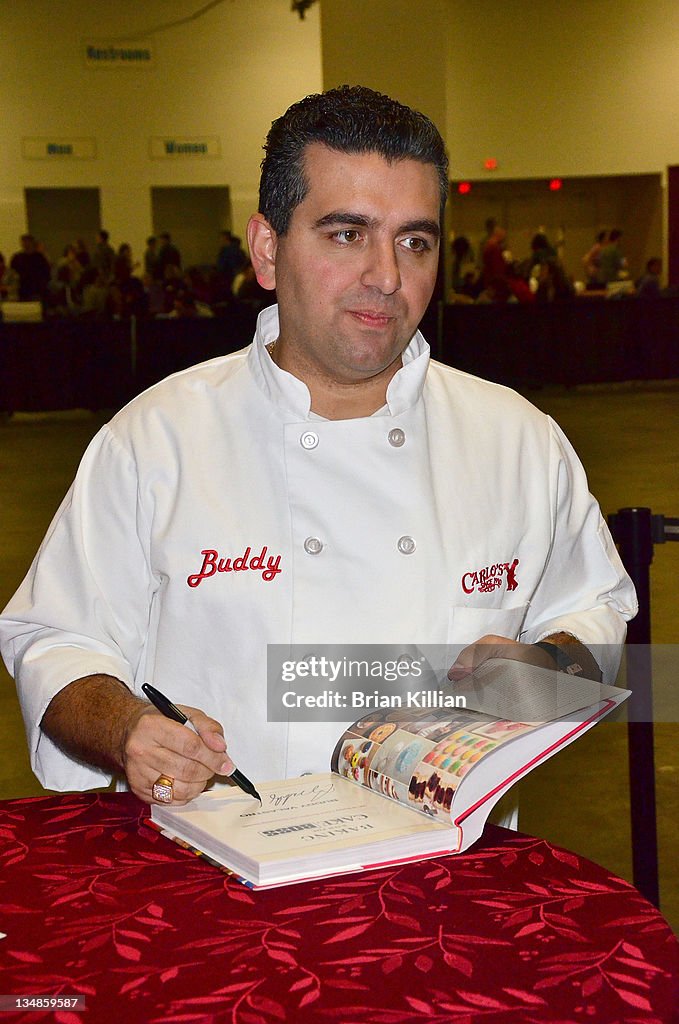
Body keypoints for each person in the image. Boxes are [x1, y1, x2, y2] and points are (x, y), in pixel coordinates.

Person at [0, 85, 635, 807]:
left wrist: (548, 665)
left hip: (448, 881)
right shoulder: (158, 438)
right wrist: (126, 728)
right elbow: (53, 639)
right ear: (266, 250)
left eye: (414, 241)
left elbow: (594, 616)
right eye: (346, 234)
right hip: (220, 873)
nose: (387, 276)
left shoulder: (517, 440)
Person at [9, 234, 51, 301]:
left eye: (27, 241)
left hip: (37, 289)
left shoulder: (40, 258)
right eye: (23, 242)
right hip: (21, 289)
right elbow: (12, 273)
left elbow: (46, 273)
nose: (25, 244)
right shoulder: (17, 258)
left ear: (32, 242)